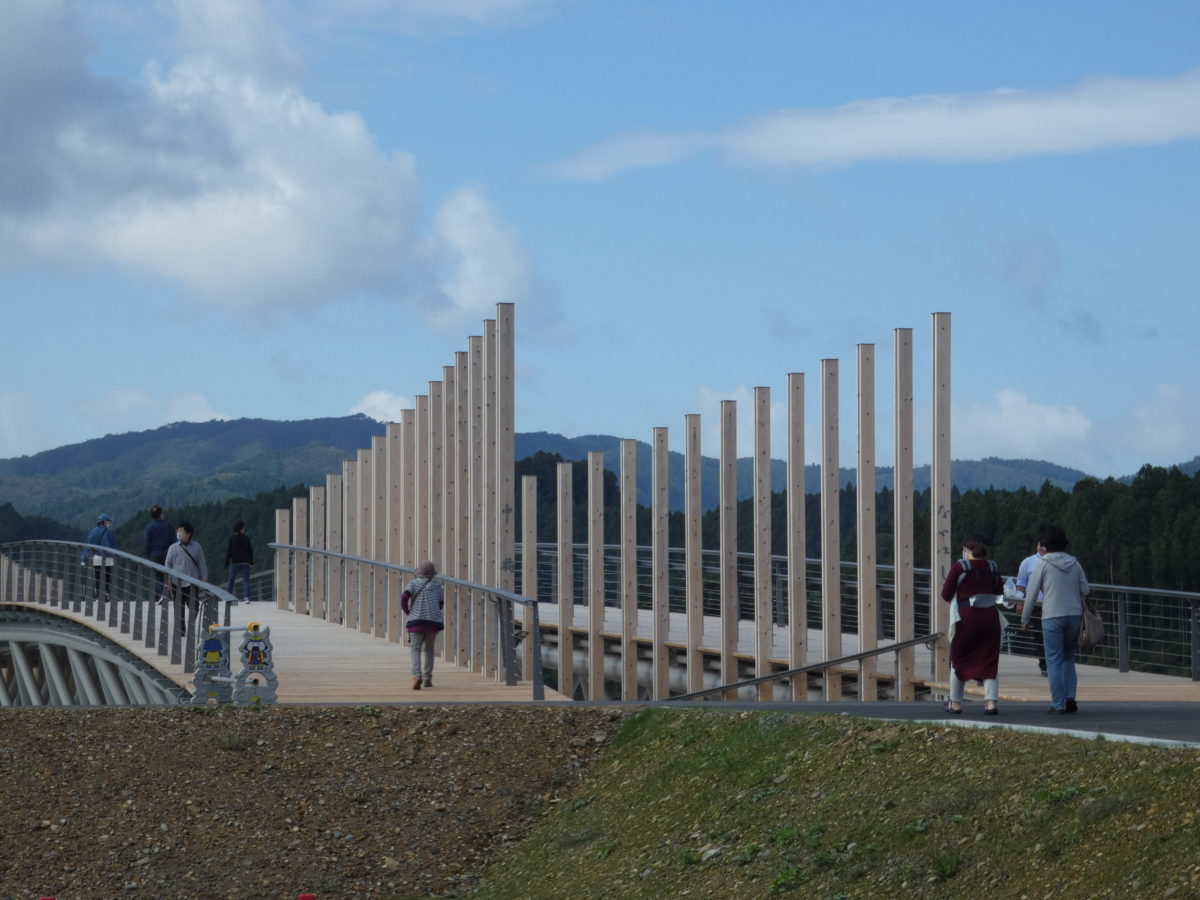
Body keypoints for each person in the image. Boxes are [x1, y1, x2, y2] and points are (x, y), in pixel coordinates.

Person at [1021, 524, 1089, 715]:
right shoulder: (1074, 563)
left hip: (1052, 615)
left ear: (1044, 544)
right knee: (1068, 657)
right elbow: (1086, 589)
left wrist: (1025, 618)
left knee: (1053, 660)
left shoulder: (1042, 563)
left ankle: (1058, 703)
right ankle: (1070, 698)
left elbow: (1031, 593)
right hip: (1074, 615)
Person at [940, 533, 1004, 715]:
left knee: (959, 659)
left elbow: (945, 594)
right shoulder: (992, 567)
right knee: (990, 660)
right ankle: (991, 703)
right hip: (990, 618)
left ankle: (955, 703)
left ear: (966, 550)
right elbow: (999, 592)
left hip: (966, 618)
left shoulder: (960, 567)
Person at [401, 560, 445, 690]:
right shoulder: (437, 586)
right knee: (429, 650)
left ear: (419, 573)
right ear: (433, 574)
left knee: (415, 649)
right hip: (432, 622)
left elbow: (404, 597)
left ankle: (416, 676)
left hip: (416, 621)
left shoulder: (414, 583)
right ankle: (427, 679)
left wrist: (408, 611)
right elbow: (440, 603)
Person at [164, 521, 209, 636]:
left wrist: (204, 579)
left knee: (194, 607)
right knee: (179, 608)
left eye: (181, 532)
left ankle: (190, 625)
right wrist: (168, 579)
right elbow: (167, 565)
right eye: (177, 532)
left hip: (192, 582)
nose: (179, 534)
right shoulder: (173, 548)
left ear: (189, 534)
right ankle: (181, 630)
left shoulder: (197, 547)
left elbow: (201, 563)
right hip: (176, 582)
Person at [1015, 537, 1049, 677]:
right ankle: (1044, 665)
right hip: (1036, 605)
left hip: (1052, 604)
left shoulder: (1054, 562)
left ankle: (1053, 663)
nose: (1041, 547)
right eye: (1040, 544)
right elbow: (1021, 584)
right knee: (1039, 636)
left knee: (1051, 635)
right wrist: (1019, 603)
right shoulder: (1028, 562)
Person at [80, 513, 118, 601]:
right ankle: (106, 594)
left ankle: (98, 596)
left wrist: (83, 558)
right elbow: (114, 546)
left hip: (97, 558)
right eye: (108, 521)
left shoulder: (93, 532)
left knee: (97, 576)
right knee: (107, 576)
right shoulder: (110, 532)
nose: (109, 523)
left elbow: (88, 546)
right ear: (104, 522)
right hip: (108, 558)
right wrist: (118, 556)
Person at [142, 505, 174, 600]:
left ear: (152, 516)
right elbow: (173, 540)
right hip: (167, 554)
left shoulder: (149, 527)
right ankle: (172, 594)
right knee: (169, 574)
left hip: (154, 555)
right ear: (161, 515)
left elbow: (146, 543)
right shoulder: (168, 525)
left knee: (157, 576)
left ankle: (159, 595)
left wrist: (148, 554)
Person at [224, 521, 254, 603]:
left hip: (235, 562)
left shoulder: (231, 539)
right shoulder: (246, 538)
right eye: (243, 528)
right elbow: (250, 551)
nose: (244, 529)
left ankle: (227, 598)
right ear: (241, 529)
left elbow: (228, 551)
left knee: (231, 580)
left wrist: (226, 563)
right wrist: (251, 562)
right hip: (245, 562)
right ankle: (246, 598)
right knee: (246, 580)